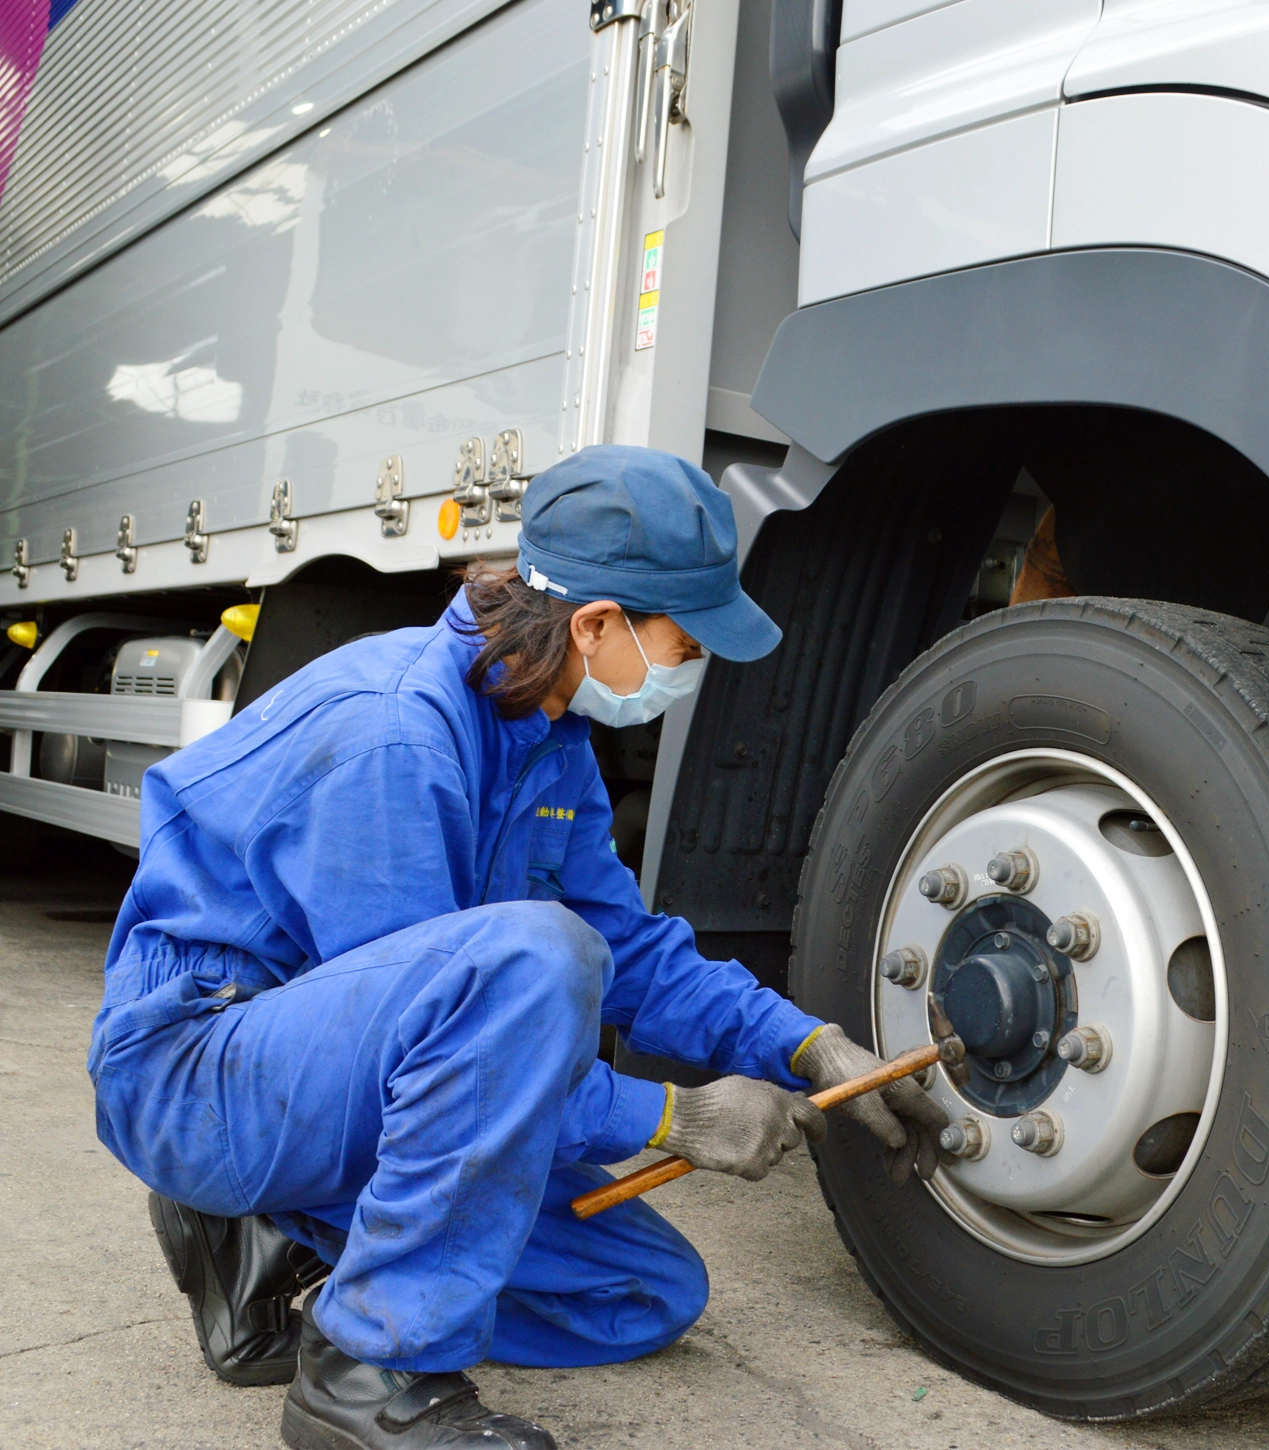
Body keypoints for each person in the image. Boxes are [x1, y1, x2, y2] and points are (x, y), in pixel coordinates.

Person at [89, 446, 949, 1450]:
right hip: (198, 1075)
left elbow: (632, 950)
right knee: (538, 957)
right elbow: (449, 1033)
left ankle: (274, 1239)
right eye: (686, 643)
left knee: (643, 1293)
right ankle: (371, 1371)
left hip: (326, 1078)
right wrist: (671, 1115)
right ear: (596, 624)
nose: (691, 670)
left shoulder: (550, 741)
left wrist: (804, 1044)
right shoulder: (392, 735)